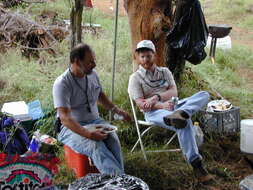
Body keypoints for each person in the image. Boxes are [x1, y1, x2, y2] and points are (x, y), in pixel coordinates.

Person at [128, 40, 213, 183]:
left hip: (176, 105)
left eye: (148, 56)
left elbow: (174, 91)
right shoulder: (135, 78)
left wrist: (156, 97)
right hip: (155, 112)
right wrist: (161, 106)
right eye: (142, 56)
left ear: (154, 55)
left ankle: (182, 112)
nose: (145, 59)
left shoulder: (164, 72)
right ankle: (196, 164)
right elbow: (141, 105)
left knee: (204, 94)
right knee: (183, 123)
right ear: (137, 57)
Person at [53, 43, 131, 175]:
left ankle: (120, 178)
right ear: (77, 62)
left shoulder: (92, 75)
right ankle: (120, 182)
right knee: (95, 145)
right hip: (70, 127)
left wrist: (118, 111)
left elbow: (99, 95)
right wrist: (88, 134)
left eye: (94, 60)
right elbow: (65, 118)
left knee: (112, 138)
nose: (94, 65)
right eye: (90, 62)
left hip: (95, 121)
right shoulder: (62, 83)